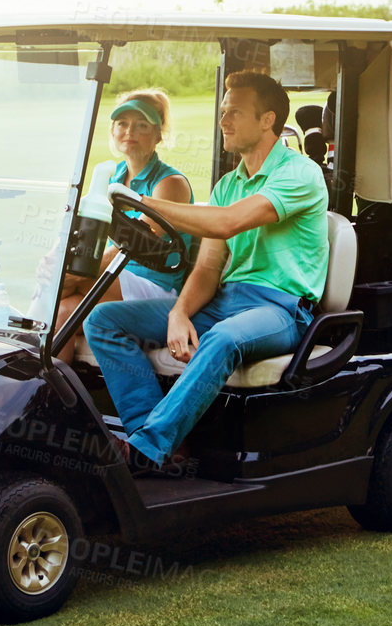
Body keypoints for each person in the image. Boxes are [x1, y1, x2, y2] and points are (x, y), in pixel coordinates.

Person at [85, 70, 327, 471]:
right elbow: (209, 267)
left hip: (282, 309)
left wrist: (147, 203)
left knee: (222, 338)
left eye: (234, 113)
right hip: (227, 301)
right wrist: (179, 313)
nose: (223, 121)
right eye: (222, 111)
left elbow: (227, 223)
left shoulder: (299, 173)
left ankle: (146, 450)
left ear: (268, 120)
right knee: (104, 319)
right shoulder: (228, 185)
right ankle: (153, 433)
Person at [53, 90, 192, 364]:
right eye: (123, 123)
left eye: (142, 125)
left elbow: (132, 245)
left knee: (64, 279)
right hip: (116, 278)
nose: (130, 131)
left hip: (155, 286)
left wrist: (71, 275)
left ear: (158, 134)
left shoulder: (170, 183)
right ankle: (48, 397)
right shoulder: (112, 177)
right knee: (61, 311)